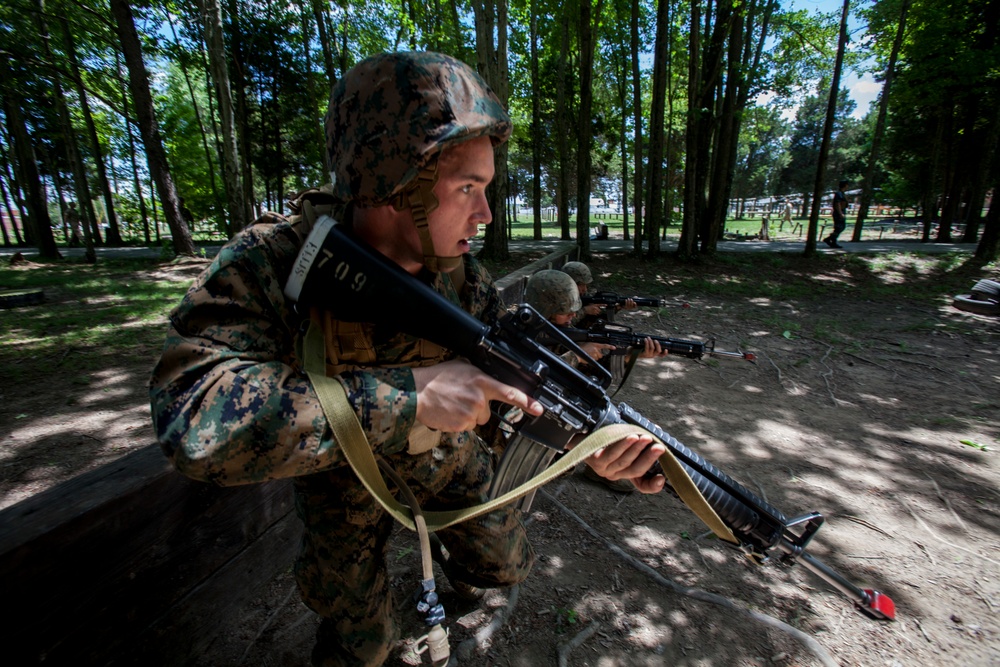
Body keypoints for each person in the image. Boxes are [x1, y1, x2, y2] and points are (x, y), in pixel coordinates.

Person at [149, 51, 666, 667]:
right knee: (360, 644)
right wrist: (411, 397)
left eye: (487, 188)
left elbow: (506, 385)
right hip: (342, 478)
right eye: (467, 189)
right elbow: (194, 420)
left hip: (445, 463)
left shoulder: (460, 273)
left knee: (506, 566)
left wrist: (589, 452)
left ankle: (451, 557)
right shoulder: (270, 262)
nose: (486, 214)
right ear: (395, 182)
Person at [523, 269, 667, 494]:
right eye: (565, 311)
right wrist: (577, 355)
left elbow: (591, 367)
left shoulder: (560, 330)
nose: (573, 315)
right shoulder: (524, 335)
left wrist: (632, 354)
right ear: (546, 309)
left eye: (574, 310)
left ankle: (589, 464)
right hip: (532, 422)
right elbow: (532, 375)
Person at [824, 180, 849, 248]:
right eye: (847, 185)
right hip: (838, 213)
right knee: (839, 227)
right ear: (845, 185)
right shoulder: (839, 194)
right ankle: (832, 240)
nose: (848, 186)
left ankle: (830, 239)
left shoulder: (842, 193)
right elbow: (837, 204)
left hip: (842, 211)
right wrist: (840, 213)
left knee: (841, 227)